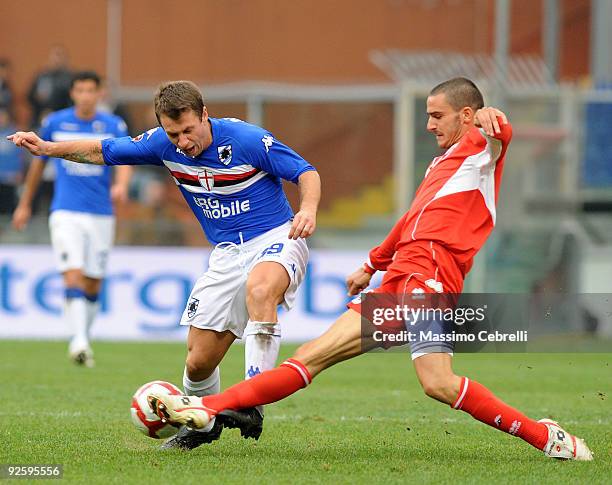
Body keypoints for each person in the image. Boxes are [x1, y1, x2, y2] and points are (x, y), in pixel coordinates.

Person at [144, 77, 593, 461]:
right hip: (401, 277)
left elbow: (500, 134)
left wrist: (496, 119)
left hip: (428, 280)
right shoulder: (443, 162)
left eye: (437, 115)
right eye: (428, 115)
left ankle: (547, 438)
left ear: (467, 115)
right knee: (307, 359)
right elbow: (411, 220)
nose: (429, 124)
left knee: (437, 383)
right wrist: (372, 264)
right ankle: (210, 408)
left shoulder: (479, 145)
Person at [8, 80, 321, 450]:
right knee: (198, 363)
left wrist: (308, 209)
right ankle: (201, 426)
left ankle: (252, 401)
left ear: (205, 114)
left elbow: (306, 172)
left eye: (189, 130)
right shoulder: (161, 144)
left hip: (276, 237)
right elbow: (100, 150)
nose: (183, 142)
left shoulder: (246, 139)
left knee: (261, 289)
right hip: (225, 254)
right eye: (174, 134)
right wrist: (47, 148)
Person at [12, 71, 132, 368]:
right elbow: (38, 166)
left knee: (93, 283)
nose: (86, 96)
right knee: (73, 273)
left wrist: (121, 185)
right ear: (73, 93)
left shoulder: (113, 125)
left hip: (101, 213)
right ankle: (78, 340)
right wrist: (25, 204)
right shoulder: (55, 123)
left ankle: (83, 339)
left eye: (91, 90)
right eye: (80, 90)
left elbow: (127, 158)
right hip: (65, 210)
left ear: (99, 93)